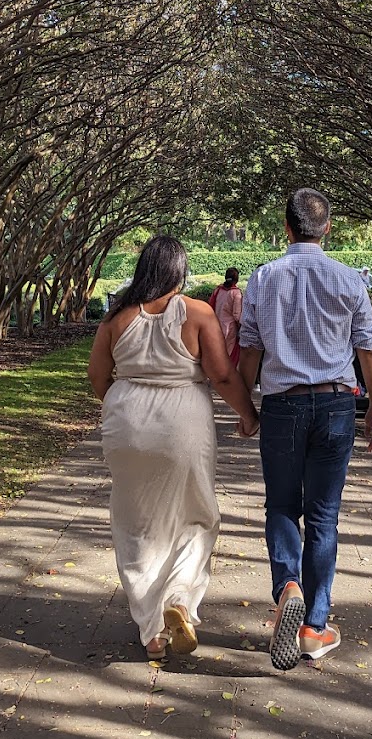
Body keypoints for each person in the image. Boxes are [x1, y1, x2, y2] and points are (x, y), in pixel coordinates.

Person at [88, 236, 259, 658]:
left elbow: (97, 378)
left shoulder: (116, 318)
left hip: (126, 423)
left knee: (135, 525)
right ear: (179, 272)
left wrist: (127, 401)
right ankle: (179, 600)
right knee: (197, 515)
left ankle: (151, 633)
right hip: (182, 422)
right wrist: (249, 414)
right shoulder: (197, 313)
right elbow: (221, 375)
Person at [239, 188, 372, 671]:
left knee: (281, 504)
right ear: (329, 228)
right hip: (338, 405)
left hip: (282, 405)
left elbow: (251, 347)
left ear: (286, 227)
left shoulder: (263, 277)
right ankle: (315, 627)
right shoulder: (349, 279)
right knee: (323, 516)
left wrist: (245, 406)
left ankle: (288, 586)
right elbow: (367, 348)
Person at [210, 266, 244, 366]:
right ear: (237, 279)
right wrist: (241, 328)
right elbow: (237, 315)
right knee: (228, 355)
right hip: (229, 329)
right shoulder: (236, 293)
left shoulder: (218, 290)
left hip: (216, 326)